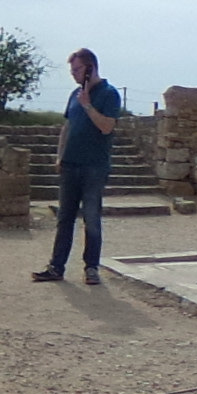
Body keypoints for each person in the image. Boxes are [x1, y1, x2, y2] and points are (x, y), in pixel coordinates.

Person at [33, 45, 128, 282]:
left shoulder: (109, 94)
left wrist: (87, 104)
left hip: (94, 167)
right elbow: (67, 127)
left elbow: (107, 127)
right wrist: (60, 155)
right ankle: (56, 267)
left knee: (91, 218)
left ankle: (91, 268)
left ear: (90, 68)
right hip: (70, 165)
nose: (73, 74)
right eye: (72, 70)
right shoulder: (74, 95)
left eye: (77, 70)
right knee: (64, 218)